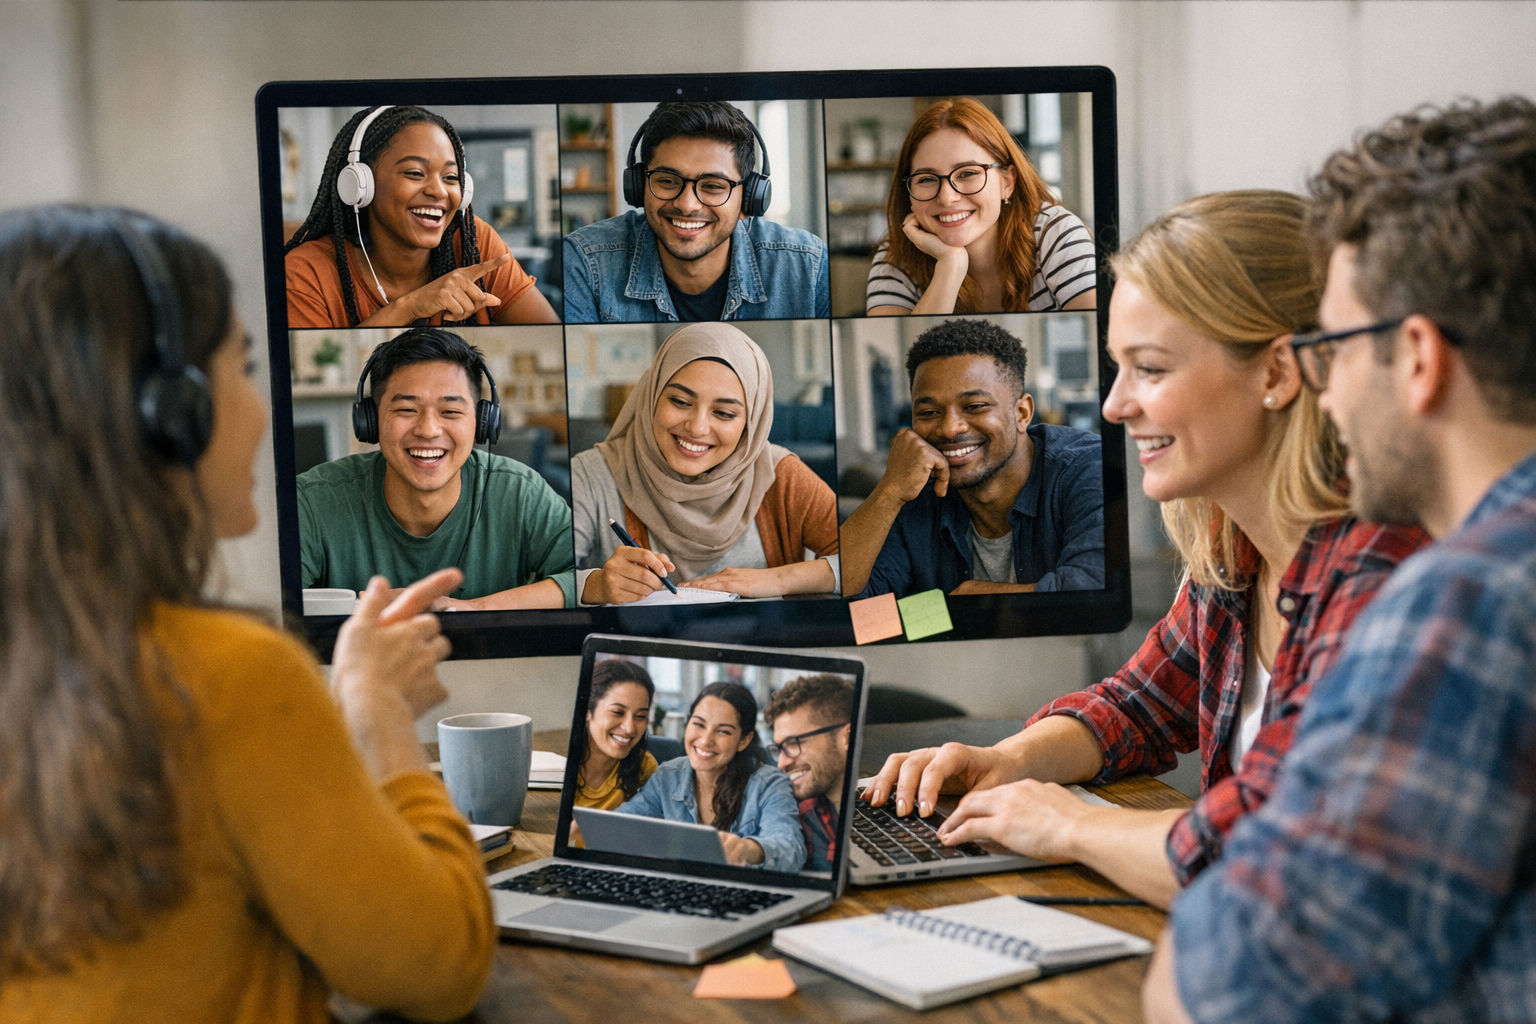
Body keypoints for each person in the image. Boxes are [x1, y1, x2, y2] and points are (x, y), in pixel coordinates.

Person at [863, 191, 1429, 910]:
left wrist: (1069, 826)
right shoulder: (1231, 546)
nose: (1114, 406)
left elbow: (1274, 859)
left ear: (1279, 374)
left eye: (1151, 370)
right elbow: (1135, 706)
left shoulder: (1386, 574)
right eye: (1117, 368)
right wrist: (1005, 762)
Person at [0, 205, 493, 1023]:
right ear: (171, 414)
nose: (263, 411)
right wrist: (377, 711)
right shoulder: (227, 679)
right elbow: (439, 965)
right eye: (244, 364)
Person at [1144, 99, 1536, 1024]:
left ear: (1416, 358)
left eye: (1332, 347)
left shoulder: (1465, 599)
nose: (1324, 391)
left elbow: (1236, 989)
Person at [298, 327, 577, 609]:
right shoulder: (311, 501)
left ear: (481, 422)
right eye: (407, 410)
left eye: (451, 412)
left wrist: (471, 609)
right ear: (370, 420)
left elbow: (586, 578)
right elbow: (274, 609)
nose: (429, 430)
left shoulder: (521, 492)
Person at [572, 322, 839, 604]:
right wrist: (594, 584)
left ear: (751, 423)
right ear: (652, 395)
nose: (697, 428)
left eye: (724, 413)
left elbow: (868, 561)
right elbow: (544, 578)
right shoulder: (592, 475)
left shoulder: (780, 473)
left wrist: (775, 579)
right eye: (680, 401)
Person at [841, 318, 1106, 598]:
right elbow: (860, 612)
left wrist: (973, 601)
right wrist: (889, 491)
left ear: (1022, 413)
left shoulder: (1087, 468)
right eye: (929, 413)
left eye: (975, 406)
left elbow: (1093, 587)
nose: (949, 428)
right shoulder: (912, 493)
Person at [285, 104, 559, 328]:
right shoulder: (305, 274)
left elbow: (554, 335)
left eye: (451, 177)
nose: (439, 191)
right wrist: (411, 306)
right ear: (360, 185)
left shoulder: (473, 241)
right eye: (415, 173)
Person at [563, 101, 830, 323]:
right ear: (638, 185)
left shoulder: (809, 266)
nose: (687, 205)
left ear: (749, 199)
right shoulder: (586, 263)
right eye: (667, 181)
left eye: (713, 186)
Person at [866, 97, 1095, 317]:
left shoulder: (1054, 234)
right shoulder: (896, 257)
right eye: (926, 178)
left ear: (1007, 182)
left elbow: (1102, 344)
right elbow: (904, 357)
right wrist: (950, 267)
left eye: (968, 173)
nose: (947, 198)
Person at [618, 682, 805, 872]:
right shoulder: (668, 776)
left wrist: (747, 849)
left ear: (744, 740)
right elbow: (619, 826)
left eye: (723, 731)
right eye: (698, 724)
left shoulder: (770, 784)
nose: (706, 740)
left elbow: (791, 850)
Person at [764, 674, 857, 873]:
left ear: (847, 737)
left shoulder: (893, 799)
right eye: (780, 748)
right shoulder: (796, 819)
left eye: (794, 743)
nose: (781, 763)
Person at [574, 659, 660, 810]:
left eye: (640, 716)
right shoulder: (562, 762)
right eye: (617, 712)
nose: (629, 728)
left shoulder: (644, 767)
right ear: (587, 710)